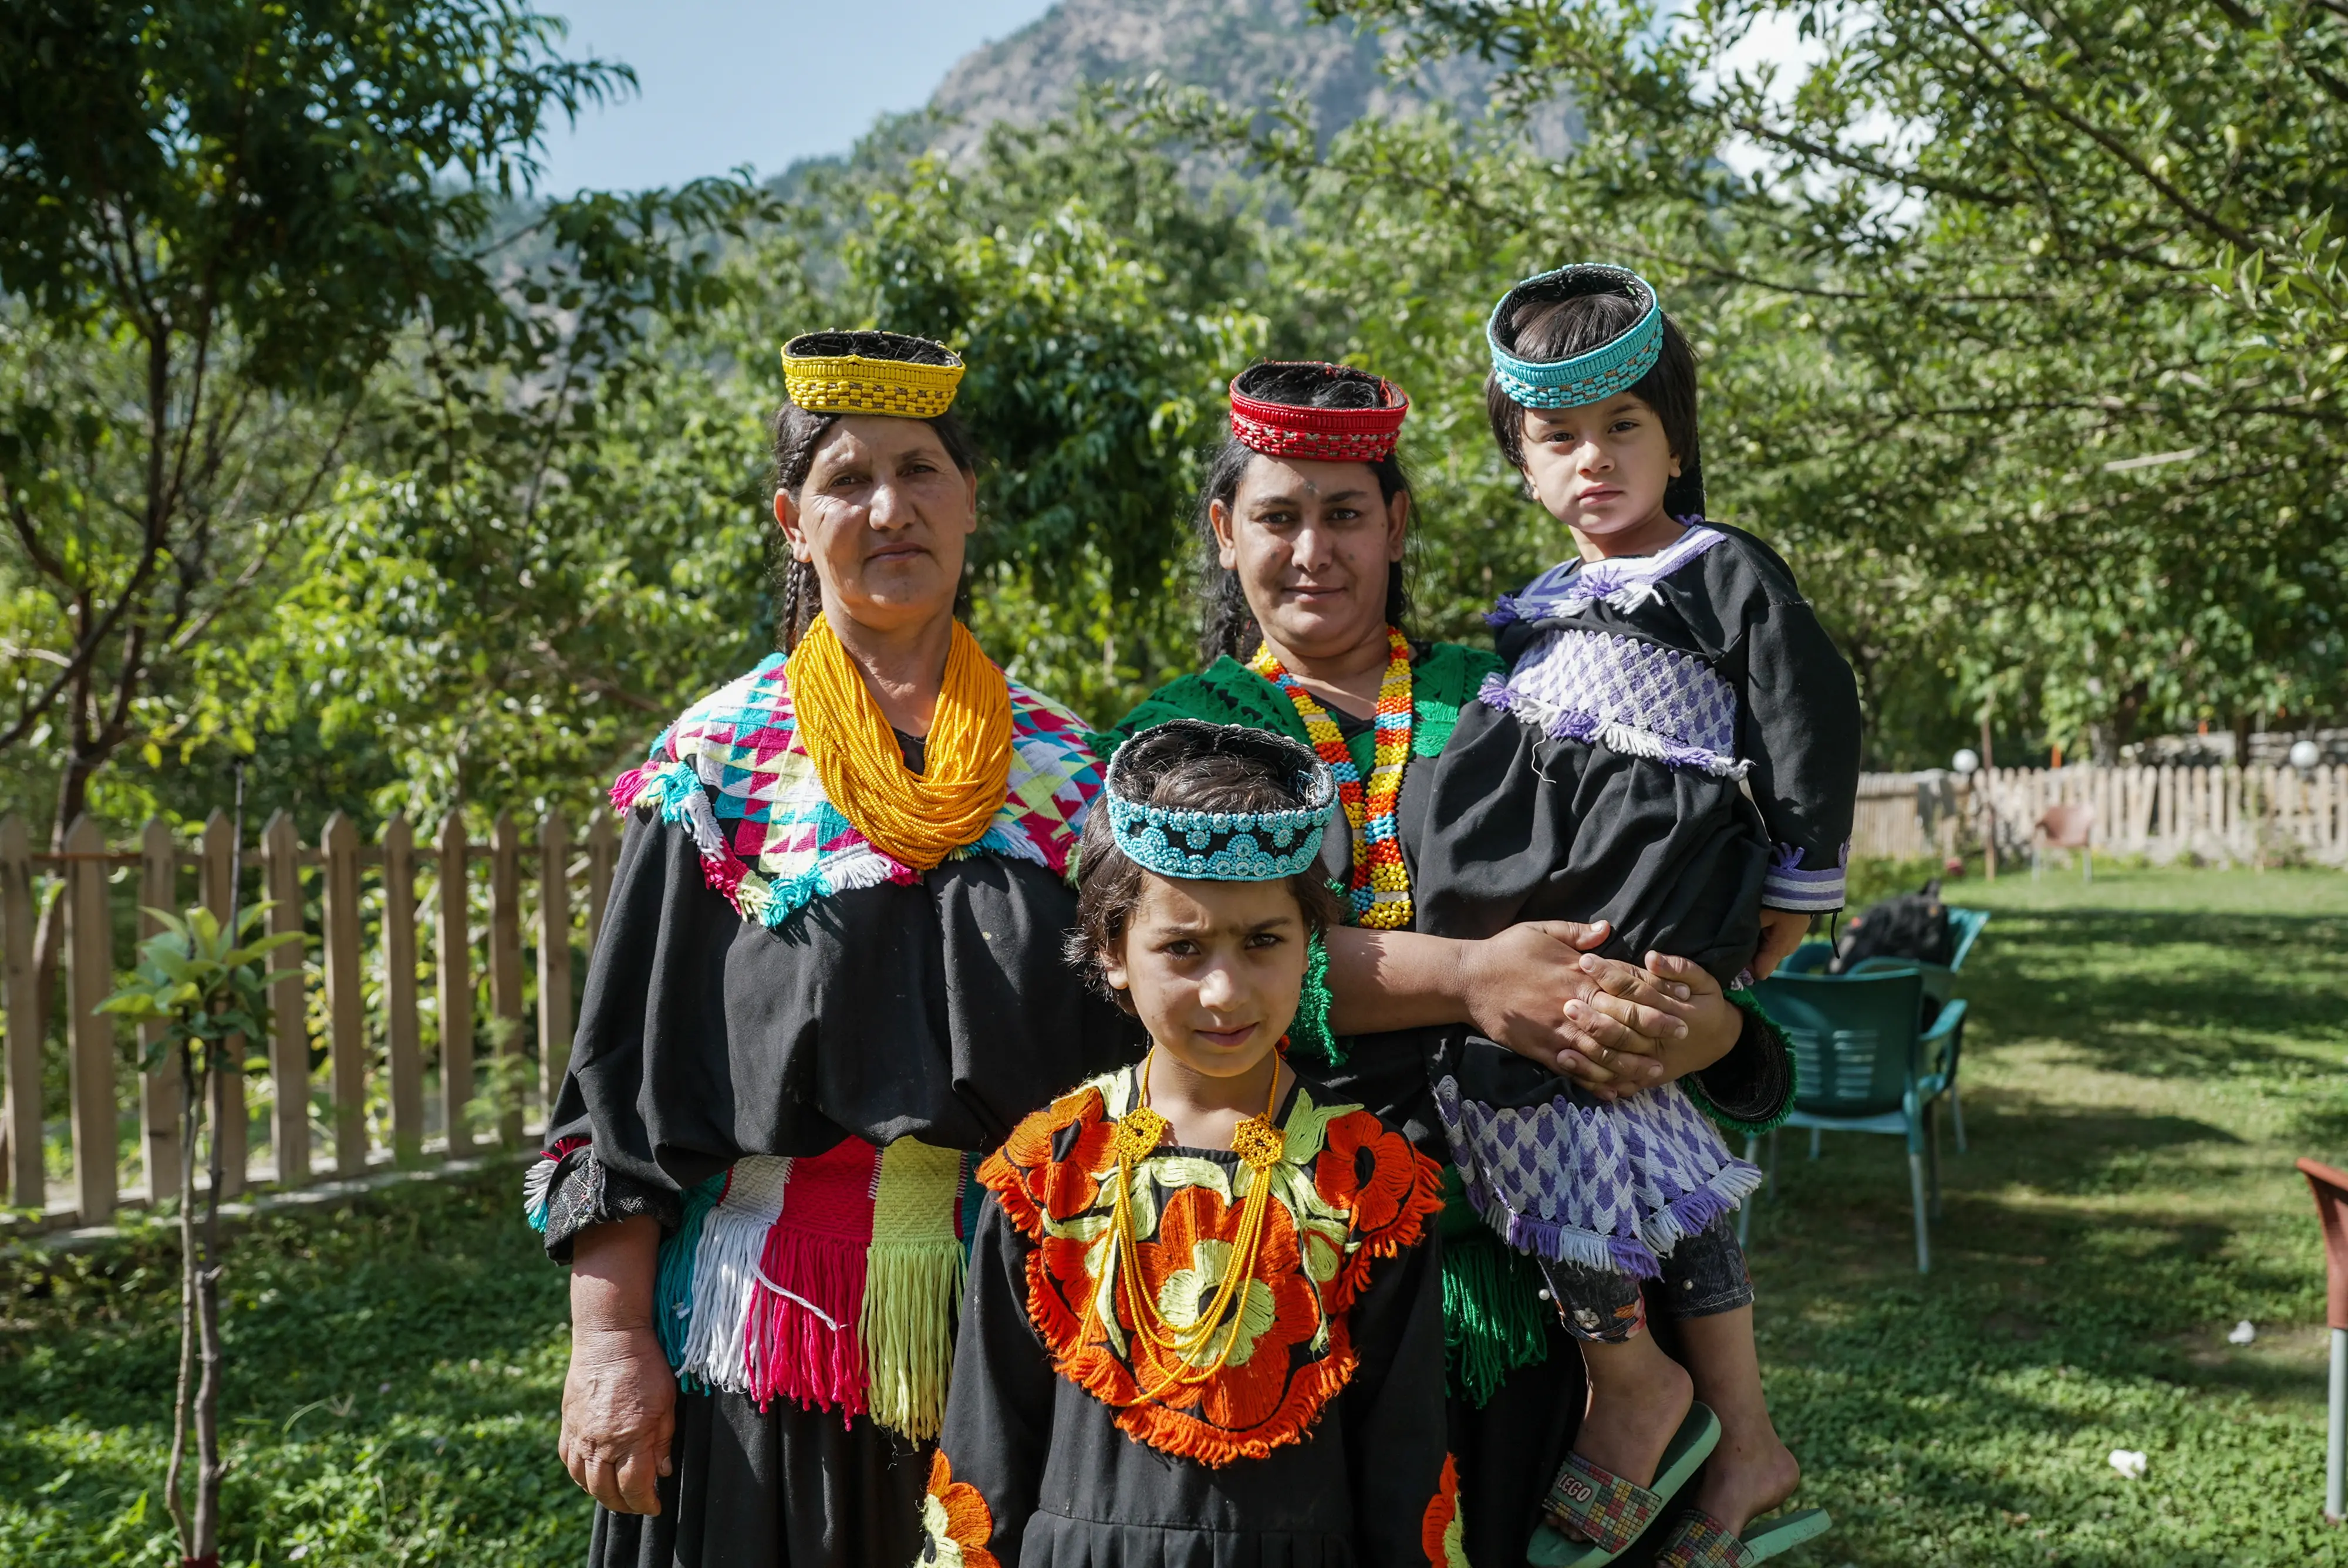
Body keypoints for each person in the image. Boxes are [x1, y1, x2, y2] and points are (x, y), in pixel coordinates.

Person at [1101, 359, 1802, 1565]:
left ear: (1396, 524)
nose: (1311, 548)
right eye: (1276, 515)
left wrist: (1713, 1029)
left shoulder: (1522, 700)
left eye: (1345, 513)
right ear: (1225, 534)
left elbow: (1643, 904)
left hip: (1561, 1299)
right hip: (1305, 1271)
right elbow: (1205, 986)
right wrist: (1476, 977)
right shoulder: (1181, 738)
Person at [527, 331, 1142, 1568]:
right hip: (762, 1333)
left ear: (971, 502)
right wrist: (608, 1341)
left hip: (1021, 1314)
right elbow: (622, 1082)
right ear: (791, 523)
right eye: (845, 479)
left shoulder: (1071, 775)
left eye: (920, 471)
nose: (888, 507)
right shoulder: (715, 767)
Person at [1416, 267, 1858, 1566]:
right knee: (1633, 1140)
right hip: (1566, 927)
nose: (1593, 461)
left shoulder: (1717, 570)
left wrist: (1790, 893)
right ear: (1519, 460)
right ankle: (1745, 1436)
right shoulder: (1539, 611)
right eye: (1558, 438)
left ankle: (1632, 1384)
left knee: (1562, 1112)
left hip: (1659, 905)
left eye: (1623, 429)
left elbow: (1805, 714)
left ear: (1674, 436)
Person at [925, 718, 1463, 1567]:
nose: (1224, 989)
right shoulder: (1046, 1173)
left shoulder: (1369, 1183)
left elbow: (1407, 1471)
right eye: (1182, 946)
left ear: (1310, 947)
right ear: (1112, 951)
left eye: (1263, 942)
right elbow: (983, 1459)